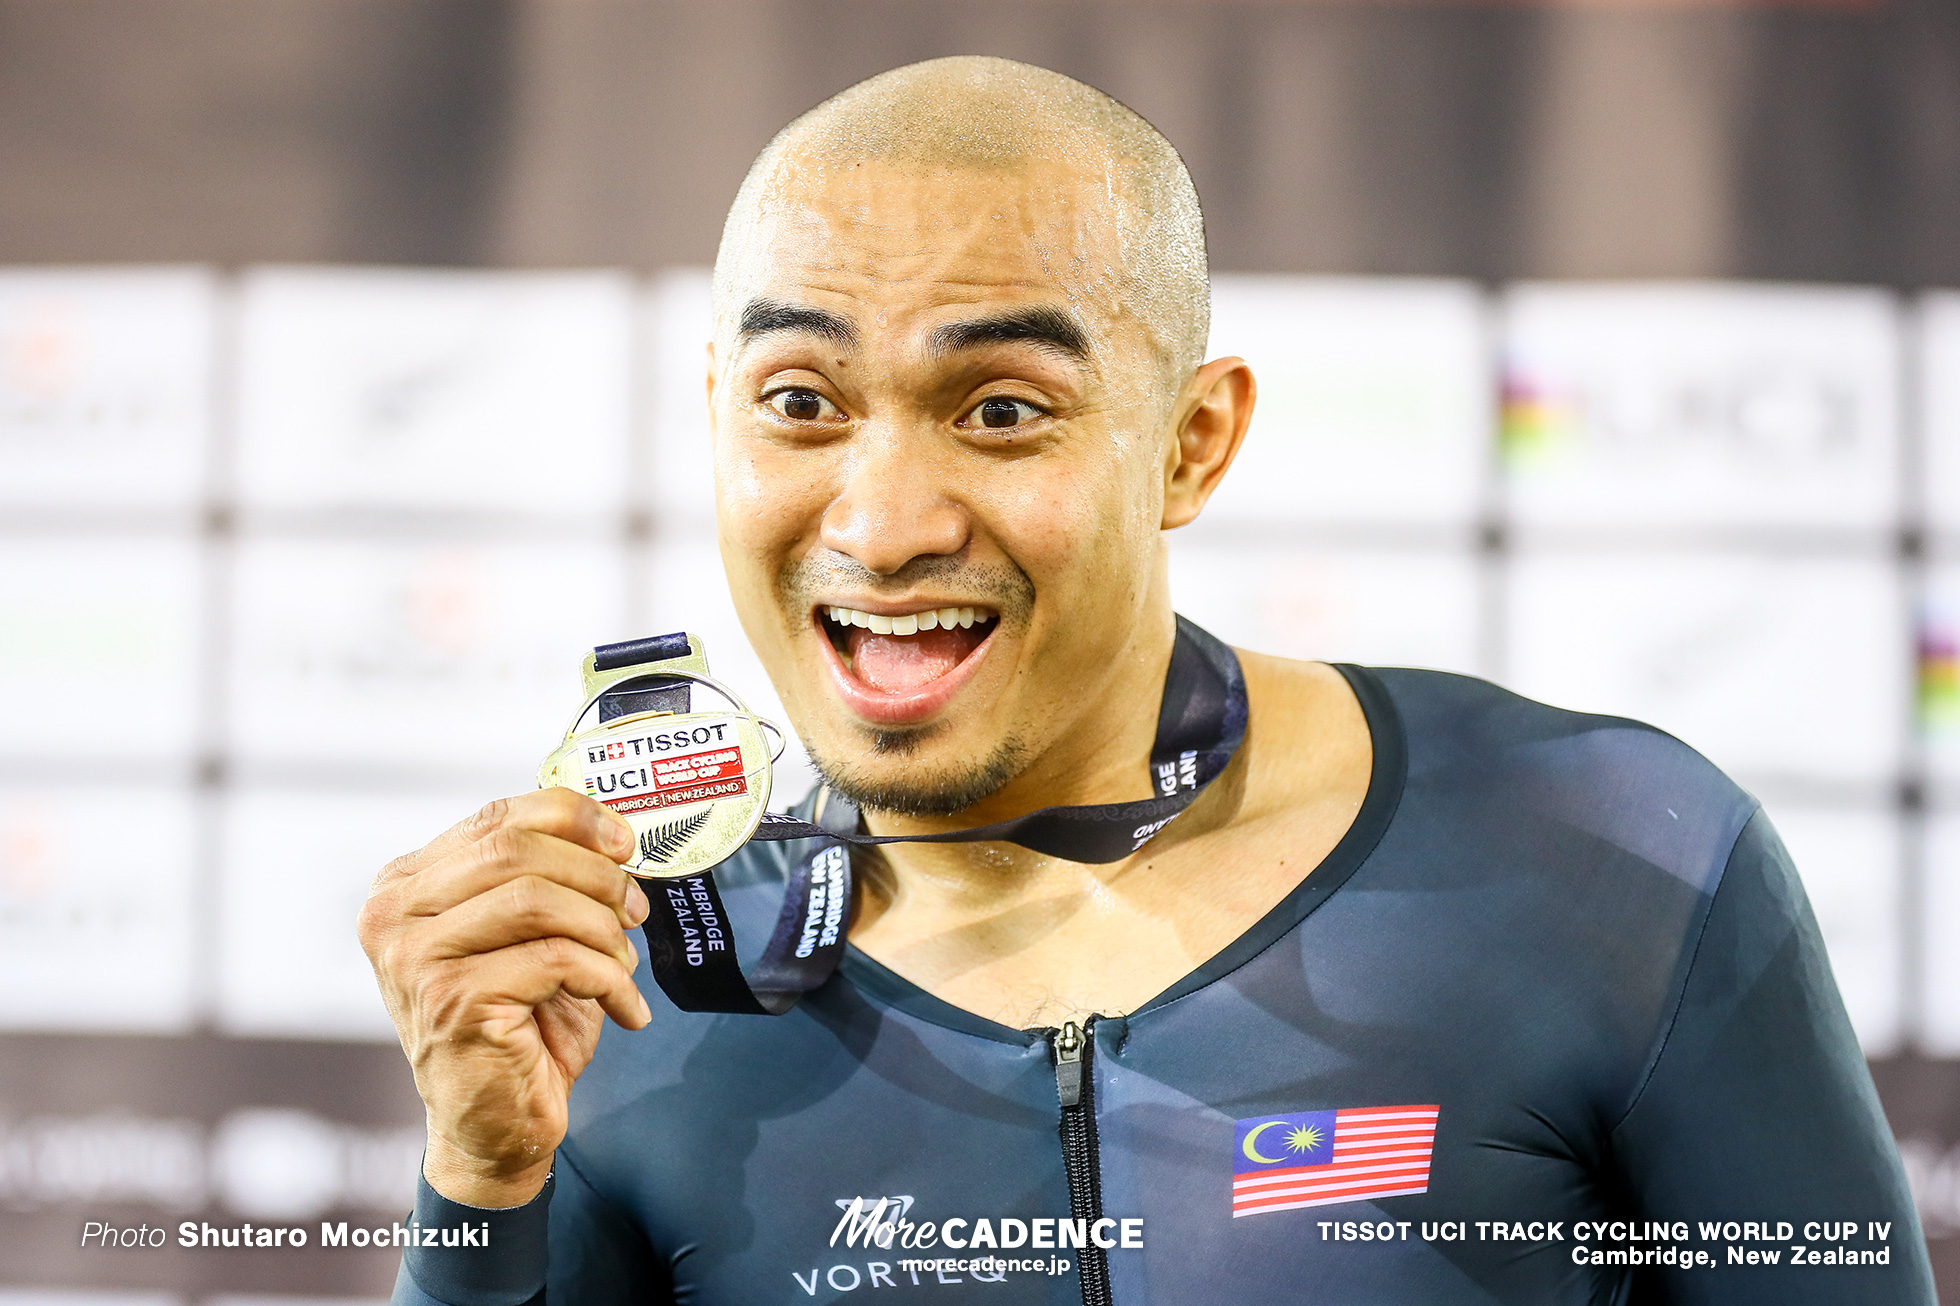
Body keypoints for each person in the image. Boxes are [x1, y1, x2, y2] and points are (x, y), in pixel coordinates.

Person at [359, 56, 1934, 1305]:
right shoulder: (623, 985)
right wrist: (480, 1186)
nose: (884, 523)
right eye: (800, 399)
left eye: (1000, 410)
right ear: (718, 419)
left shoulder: (1620, 856)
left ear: (1192, 441)